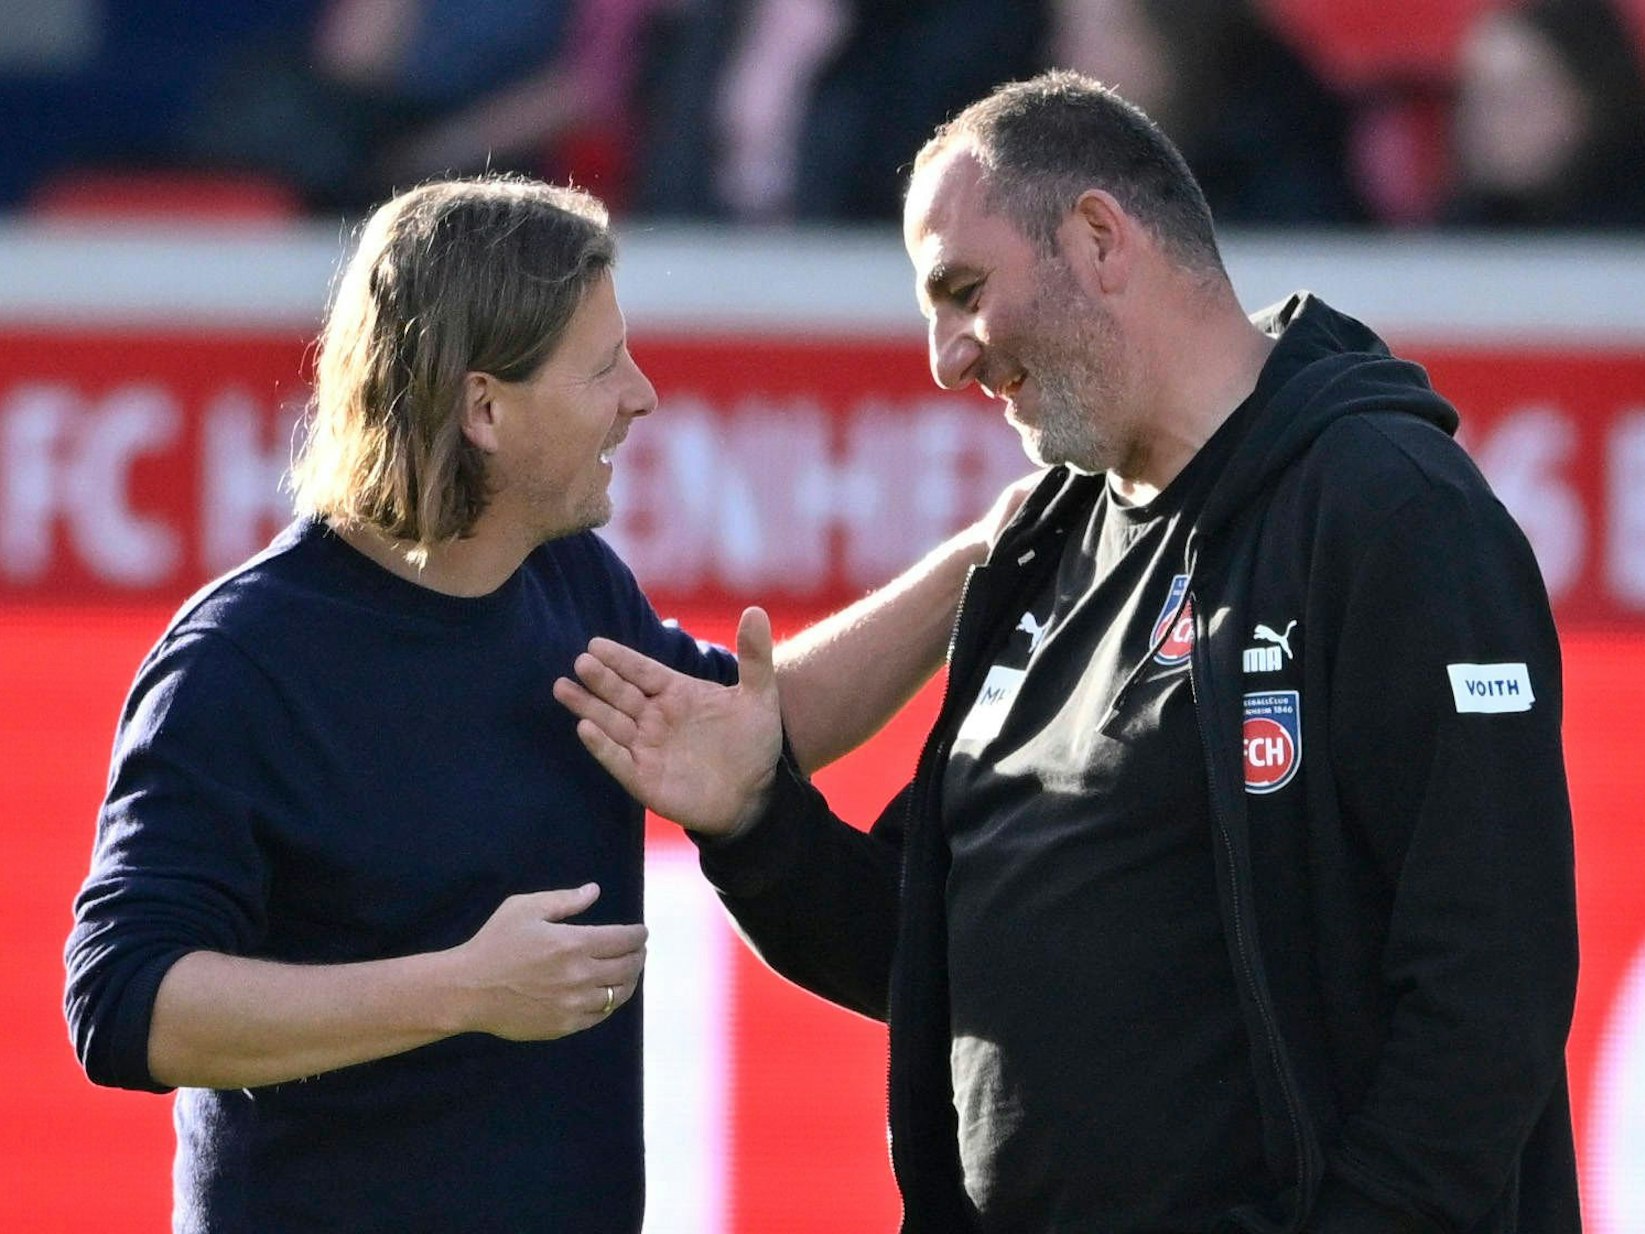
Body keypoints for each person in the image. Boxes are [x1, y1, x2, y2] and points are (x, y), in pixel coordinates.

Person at [556, 72, 1582, 1232]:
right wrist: (753, 823)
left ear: (1099, 238)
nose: (946, 358)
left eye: (962, 290)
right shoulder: (1045, 544)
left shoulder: (1385, 507)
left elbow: (1488, 983)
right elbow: (927, 947)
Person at [63, 174, 1019, 1232]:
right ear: (484, 408)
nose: (641, 394)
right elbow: (124, 1003)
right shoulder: (242, 662)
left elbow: (740, 734)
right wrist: (460, 989)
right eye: (604, 366)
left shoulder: (571, 585)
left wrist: (985, 556)